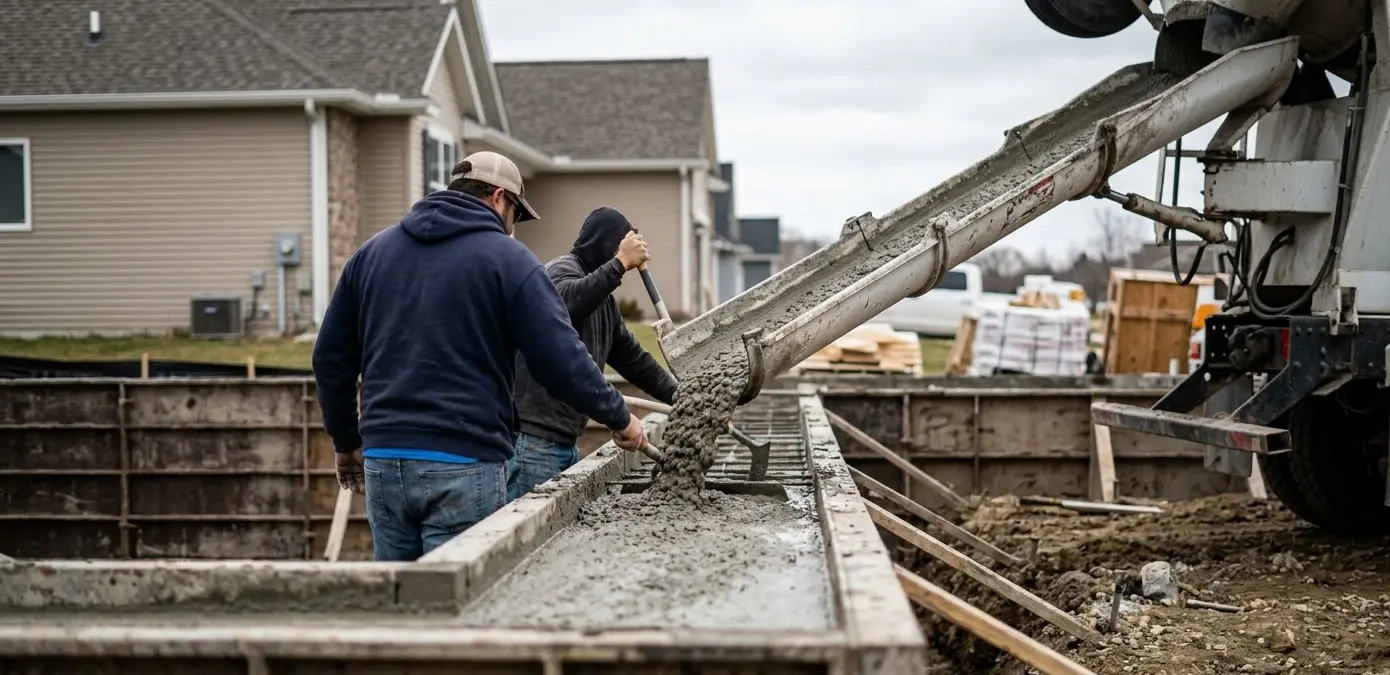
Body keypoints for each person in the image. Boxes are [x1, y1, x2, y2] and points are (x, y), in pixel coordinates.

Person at [313, 151, 649, 562]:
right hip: (464, 461)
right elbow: (559, 358)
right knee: (460, 601)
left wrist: (347, 441)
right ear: (496, 198)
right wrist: (619, 417)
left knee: (402, 604)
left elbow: (331, 358)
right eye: (515, 214)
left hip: (383, 460)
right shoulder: (509, 262)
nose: (512, 227)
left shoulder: (371, 255)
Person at [508, 207, 679, 500]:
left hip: (563, 441)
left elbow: (636, 362)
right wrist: (620, 263)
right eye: (620, 248)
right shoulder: (559, 271)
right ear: (605, 244)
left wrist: (685, 400)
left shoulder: (605, 303)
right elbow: (566, 303)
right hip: (532, 442)